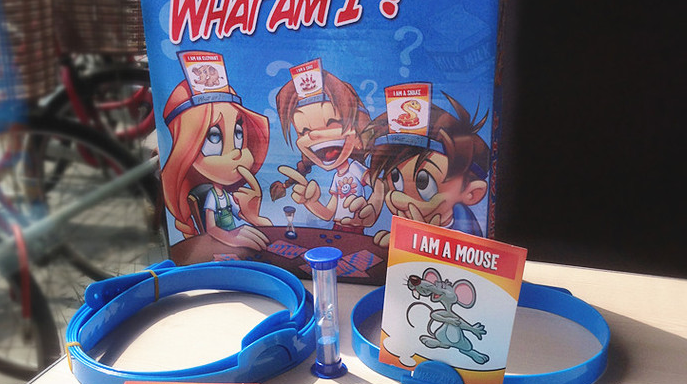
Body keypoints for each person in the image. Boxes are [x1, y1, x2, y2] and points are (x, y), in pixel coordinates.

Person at [161, 52, 272, 250]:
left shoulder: (228, 196)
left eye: (238, 133)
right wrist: (231, 238)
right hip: (217, 250)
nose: (236, 153)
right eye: (214, 137)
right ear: (186, 150)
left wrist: (254, 216)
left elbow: (254, 223)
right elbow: (211, 228)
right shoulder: (211, 197)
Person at [361, 89, 489, 247]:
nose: (398, 200)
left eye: (424, 184)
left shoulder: (465, 228)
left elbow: (463, 256)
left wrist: (422, 240)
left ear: (472, 193)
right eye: (395, 178)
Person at [271, 59, 382, 233]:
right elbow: (329, 213)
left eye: (332, 122)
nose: (315, 135)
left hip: (356, 230)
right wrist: (310, 202)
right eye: (304, 130)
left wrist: (373, 209)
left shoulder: (355, 168)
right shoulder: (337, 177)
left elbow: (379, 186)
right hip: (337, 228)